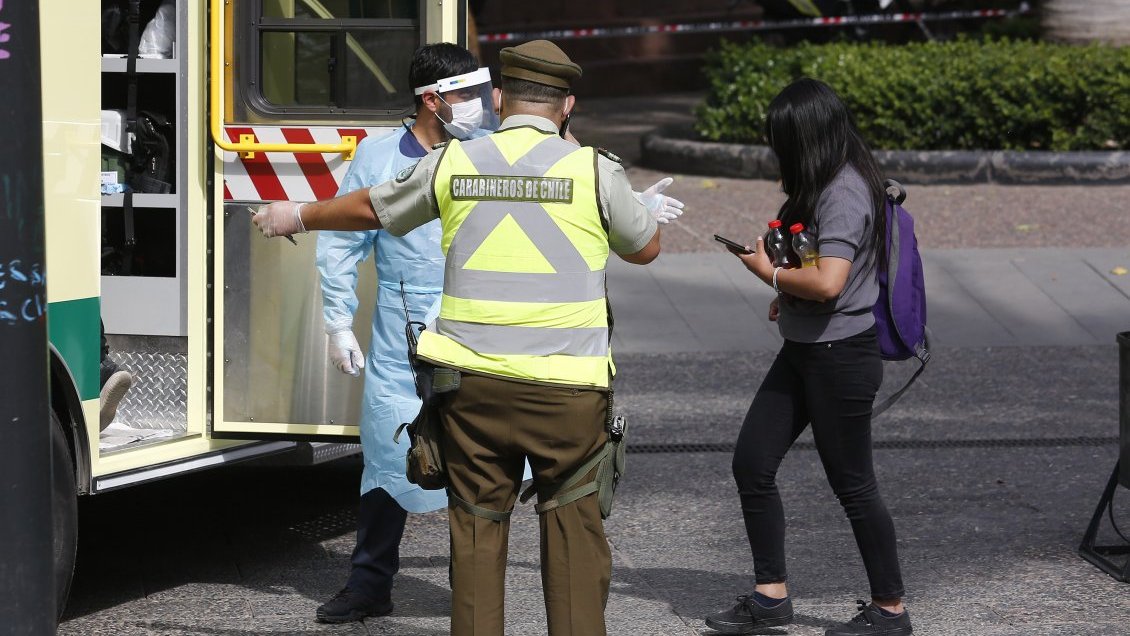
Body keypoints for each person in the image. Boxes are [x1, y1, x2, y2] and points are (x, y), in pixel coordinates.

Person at [251, 39, 684, 636]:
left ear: (501, 98)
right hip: (567, 394)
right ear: (568, 105)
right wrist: (608, 182)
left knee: (477, 537)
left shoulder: (457, 162)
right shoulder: (592, 169)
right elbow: (645, 250)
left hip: (471, 391)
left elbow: (372, 209)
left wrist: (295, 214)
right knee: (575, 540)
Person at [706, 77, 912, 636]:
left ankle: (890, 610)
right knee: (752, 462)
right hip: (804, 349)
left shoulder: (842, 191)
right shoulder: (823, 182)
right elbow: (815, 278)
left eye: (784, 141)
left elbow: (829, 283)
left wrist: (768, 273)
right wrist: (786, 291)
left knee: (853, 484)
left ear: (809, 137)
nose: (780, 153)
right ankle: (770, 597)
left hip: (841, 356)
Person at [313, 42, 491, 624]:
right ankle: (369, 584)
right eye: (467, 94)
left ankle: (473, 585)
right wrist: (338, 320)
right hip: (403, 325)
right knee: (389, 449)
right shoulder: (379, 157)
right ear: (433, 100)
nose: (481, 105)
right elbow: (341, 236)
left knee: (480, 454)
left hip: (478, 321)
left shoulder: (489, 157)